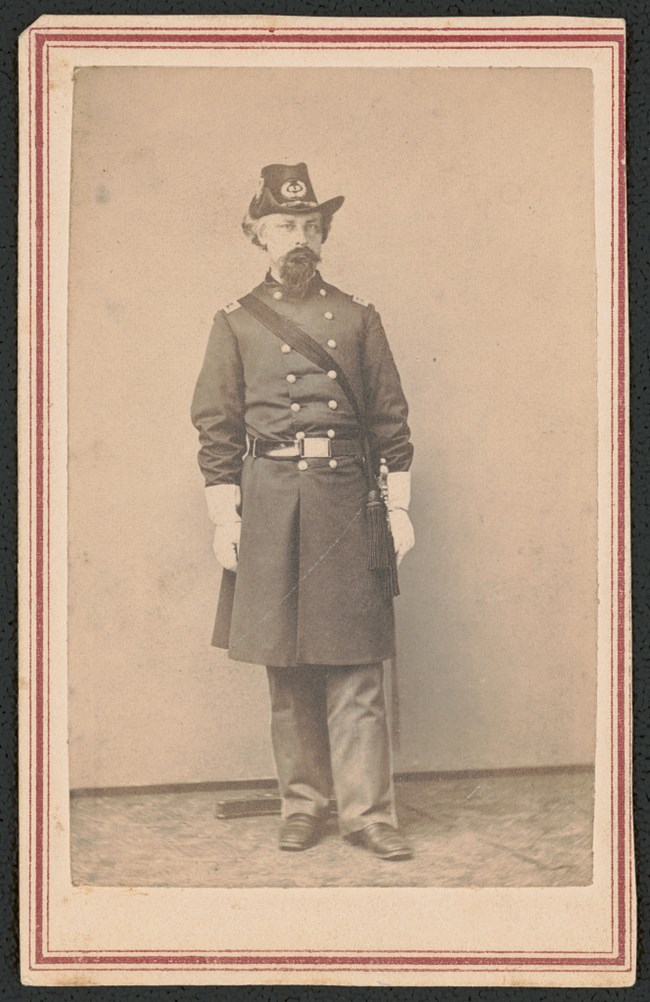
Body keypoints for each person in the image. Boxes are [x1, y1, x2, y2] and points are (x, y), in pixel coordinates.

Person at [191, 163, 415, 860]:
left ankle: (368, 815)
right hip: (269, 502)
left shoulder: (358, 316)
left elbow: (390, 417)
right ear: (256, 235)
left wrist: (400, 508)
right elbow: (217, 424)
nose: (299, 238)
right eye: (284, 226)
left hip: (347, 499)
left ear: (322, 236)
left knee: (356, 666)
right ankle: (303, 806)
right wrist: (224, 516)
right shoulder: (233, 322)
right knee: (286, 667)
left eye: (310, 227)